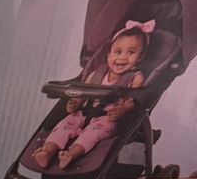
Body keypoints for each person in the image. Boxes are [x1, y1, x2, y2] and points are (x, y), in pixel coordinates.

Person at [34, 22, 150, 170]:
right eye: (118, 51)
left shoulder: (135, 78)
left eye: (131, 52)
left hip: (108, 118)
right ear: (108, 54)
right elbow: (83, 93)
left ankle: (71, 154)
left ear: (140, 57)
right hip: (85, 112)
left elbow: (134, 100)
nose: (123, 57)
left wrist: (122, 110)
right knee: (64, 125)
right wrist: (75, 102)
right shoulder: (96, 74)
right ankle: (48, 151)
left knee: (92, 133)